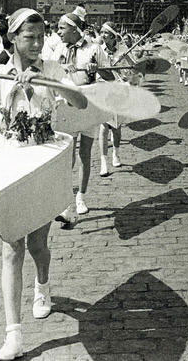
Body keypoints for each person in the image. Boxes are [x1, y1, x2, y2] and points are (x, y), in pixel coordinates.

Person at [0, 8, 86, 361]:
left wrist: (48, 83)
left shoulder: (54, 68)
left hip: (42, 160)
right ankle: (13, 336)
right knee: (11, 247)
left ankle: (42, 285)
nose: (37, 44)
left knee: (37, 244)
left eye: (41, 37)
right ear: (13, 38)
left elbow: (80, 100)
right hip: (10, 161)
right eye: (29, 38)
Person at [50, 12, 108, 221]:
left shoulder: (94, 49)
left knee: (85, 152)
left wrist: (97, 70)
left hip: (88, 105)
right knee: (68, 155)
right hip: (66, 107)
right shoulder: (58, 49)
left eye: (62, 28)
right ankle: (66, 202)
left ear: (74, 28)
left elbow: (108, 75)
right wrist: (61, 67)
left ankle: (81, 197)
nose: (58, 32)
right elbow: (50, 74)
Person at [97, 21, 135, 177]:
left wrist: (128, 68)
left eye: (106, 33)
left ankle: (116, 154)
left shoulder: (123, 50)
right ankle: (103, 162)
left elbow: (135, 68)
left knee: (116, 127)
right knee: (104, 126)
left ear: (113, 36)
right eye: (101, 32)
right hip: (102, 89)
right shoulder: (98, 50)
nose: (102, 35)